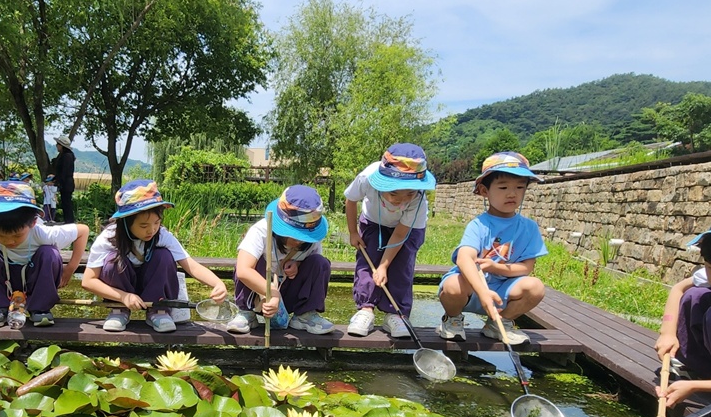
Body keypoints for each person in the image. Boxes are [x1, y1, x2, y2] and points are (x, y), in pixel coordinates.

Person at [82, 179, 227, 333]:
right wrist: (123, 297)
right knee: (112, 261)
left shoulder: (162, 235)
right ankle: (119, 310)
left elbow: (191, 266)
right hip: (120, 293)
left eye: (156, 223)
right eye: (143, 225)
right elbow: (88, 281)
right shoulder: (109, 238)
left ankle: (158, 311)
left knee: (164, 256)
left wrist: (218, 284)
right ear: (125, 222)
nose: (151, 230)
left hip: (154, 288)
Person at [436, 152, 547, 344]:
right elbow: (464, 258)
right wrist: (483, 292)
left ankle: (499, 323)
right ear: (484, 191)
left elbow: (526, 268)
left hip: (504, 289)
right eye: (503, 187)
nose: (512, 194)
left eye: (520, 187)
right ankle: (452, 320)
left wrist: (496, 268)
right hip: (472, 287)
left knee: (535, 288)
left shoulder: (529, 227)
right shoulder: (479, 225)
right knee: (452, 286)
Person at [0, 181, 89, 328]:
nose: (10, 242)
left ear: (33, 223)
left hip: (35, 278)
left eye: (17, 236)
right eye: (1, 236)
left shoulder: (42, 233)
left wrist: (69, 269)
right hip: (2, 278)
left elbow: (83, 231)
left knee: (49, 253)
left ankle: (39, 308)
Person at [345, 143, 436, 337]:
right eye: (394, 193)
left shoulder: (418, 201)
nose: (401, 200)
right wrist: (353, 232)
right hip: (373, 222)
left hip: (407, 229)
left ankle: (396, 314)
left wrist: (384, 266)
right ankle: (365, 310)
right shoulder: (366, 178)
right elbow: (351, 200)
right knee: (368, 260)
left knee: (401, 266)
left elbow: (400, 234)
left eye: (409, 193)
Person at [227, 184, 335, 335]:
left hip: (288, 293)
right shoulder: (261, 231)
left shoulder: (312, 239)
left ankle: (304, 315)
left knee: (320, 263)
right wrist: (272, 293)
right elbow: (243, 270)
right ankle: (246, 313)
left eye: (303, 237)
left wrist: (297, 264)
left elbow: (312, 269)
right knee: (249, 262)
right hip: (258, 295)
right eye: (295, 235)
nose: (299, 241)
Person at [655, 229, 711, 407]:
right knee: (695, 295)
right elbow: (678, 289)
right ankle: (696, 367)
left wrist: (694, 386)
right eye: (710, 268)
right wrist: (667, 333)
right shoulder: (705, 275)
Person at [52, 135, 76, 223]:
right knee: (65, 202)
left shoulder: (67, 156)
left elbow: (64, 172)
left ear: (62, 146)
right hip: (66, 182)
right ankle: (68, 220)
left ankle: (69, 221)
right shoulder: (65, 155)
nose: (56, 146)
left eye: (58, 144)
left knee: (67, 203)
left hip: (66, 183)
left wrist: (58, 182)